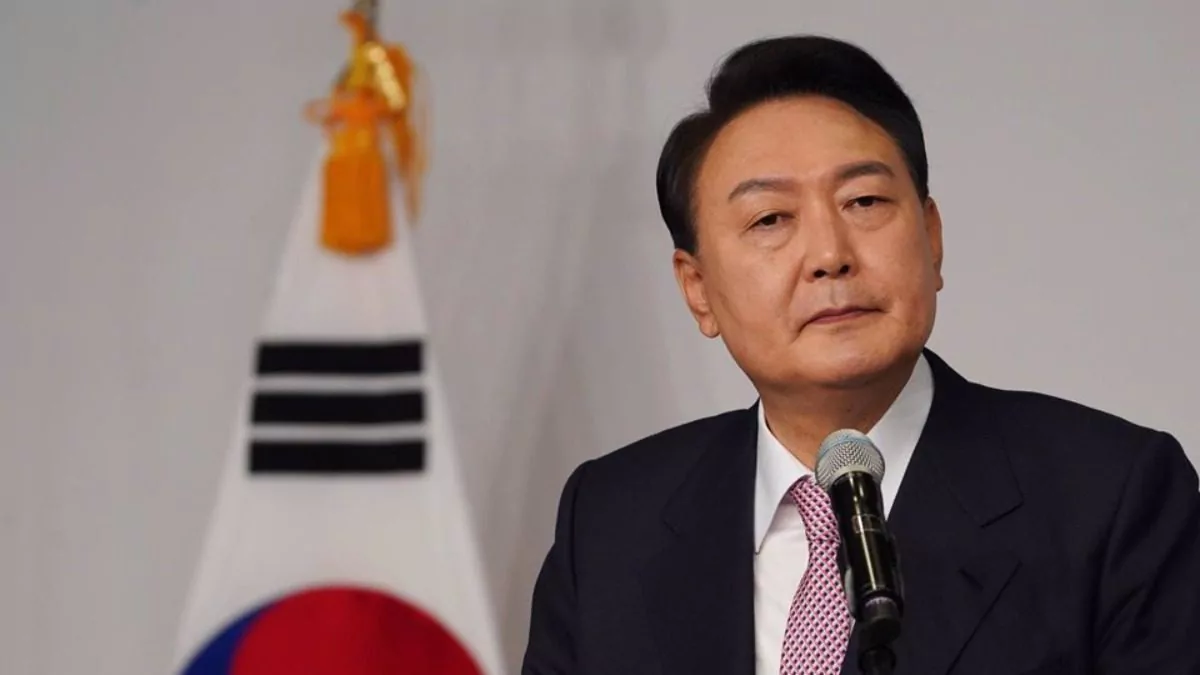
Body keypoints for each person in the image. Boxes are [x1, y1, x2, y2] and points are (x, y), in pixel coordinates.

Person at [520, 35, 1200, 675]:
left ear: (932, 237)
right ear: (698, 289)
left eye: (864, 201)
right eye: (770, 219)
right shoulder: (610, 524)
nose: (829, 254)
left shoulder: (1110, 497)